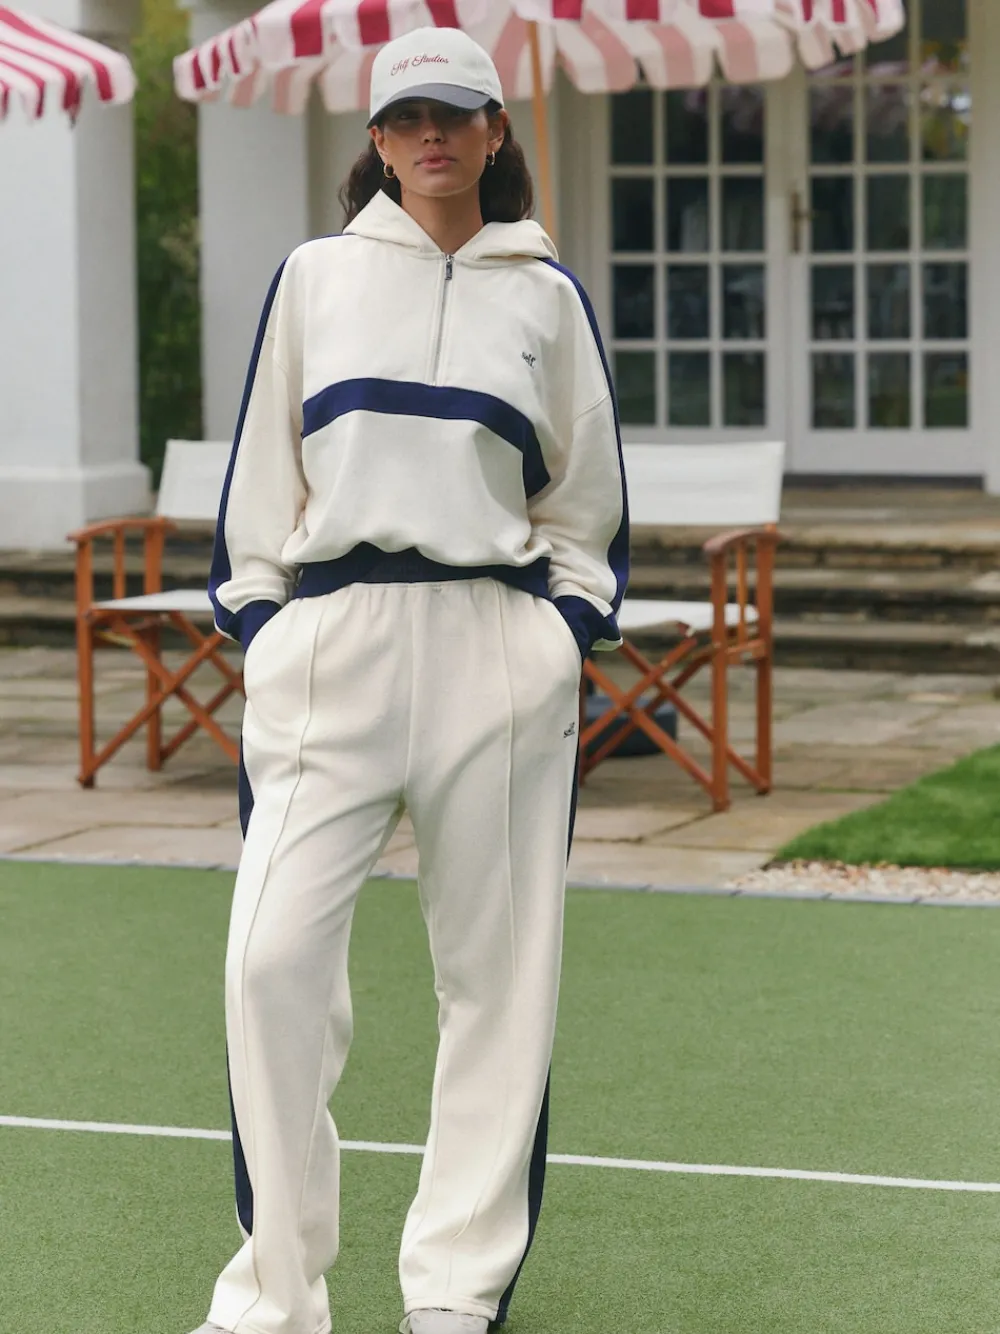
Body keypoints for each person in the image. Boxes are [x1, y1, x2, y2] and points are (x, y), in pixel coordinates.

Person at [190, 23, 628, 1334]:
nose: (432, 136)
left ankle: (454, 1293)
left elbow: (588, 510)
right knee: (269, 965)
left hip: (499, 652)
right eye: (407, 118)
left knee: (499, 985)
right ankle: (274, 1297)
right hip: (333, 647)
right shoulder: (314, 278)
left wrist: (557, 639)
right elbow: (259, 485)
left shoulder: (547, 298)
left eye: (456, 114)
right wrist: (269, 632)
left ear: (495, 133)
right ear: (378, 142)